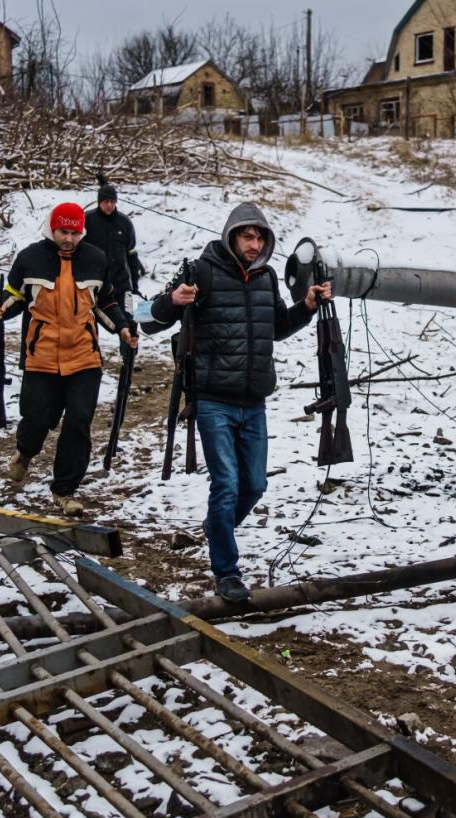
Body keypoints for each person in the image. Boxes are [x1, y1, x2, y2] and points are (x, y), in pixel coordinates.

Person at [144, 203, 329, 603]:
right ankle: (226, 572)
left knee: (255, 485)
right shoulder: (201, 270)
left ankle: (217, 529)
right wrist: (174, 300)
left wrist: (308, 307)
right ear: (232, 236)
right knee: (226, 484)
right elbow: (149, 319)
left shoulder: (265, 278)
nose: (254, 243)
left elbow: (276, 327)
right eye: (248, 235)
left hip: (254, 399)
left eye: (260, 236)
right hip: (212, 399)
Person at [0, 203, 138, 517]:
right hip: (41, 357)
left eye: (74, 233)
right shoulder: (30, 258)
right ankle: (25, 452)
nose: (69, 238)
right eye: (63, 232)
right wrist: (0, 307)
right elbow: (14, 295)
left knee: (78, 422)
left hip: (84, 358)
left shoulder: (95, 259)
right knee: (36, 418)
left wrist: (122, 327)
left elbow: (105, 301)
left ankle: (65, 489)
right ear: (52, 229)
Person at [83, 183, 145, 296]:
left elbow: (131, 254)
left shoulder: (125, 222)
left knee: (125, 314)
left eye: (112, 201)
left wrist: (134, 286)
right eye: (106, 202)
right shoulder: (87, 220)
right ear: (99, 202)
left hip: (121, 284)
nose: (110, 205)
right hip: (93, 283)